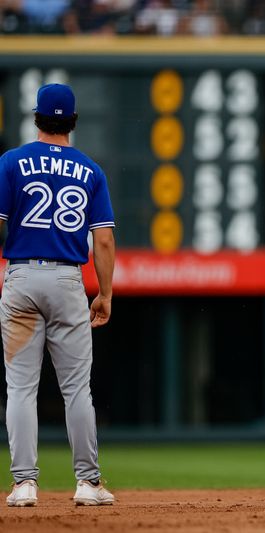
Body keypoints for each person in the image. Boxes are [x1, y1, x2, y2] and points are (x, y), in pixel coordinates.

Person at [0, 83, 116, 507]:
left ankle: (24, 484)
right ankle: (88, 483)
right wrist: (104, 293)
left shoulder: (11, 162)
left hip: (21, 277)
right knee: (76, 390)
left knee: (20, 389)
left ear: (36, 118)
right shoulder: (90, 170)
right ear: (73, 121)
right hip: (68, 281)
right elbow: (102, 241)